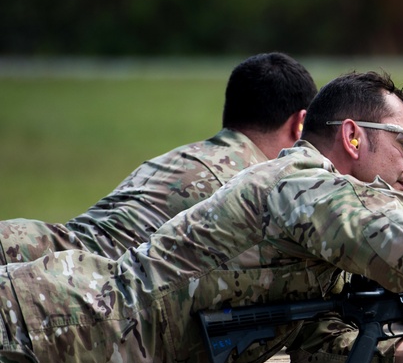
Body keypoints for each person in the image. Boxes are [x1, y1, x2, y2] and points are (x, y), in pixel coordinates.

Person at [0, 70, 403, 363]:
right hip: (38, 324)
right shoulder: (297, 183)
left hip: (59, 354)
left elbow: (326, 358)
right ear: (352, 136)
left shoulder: (321, 237)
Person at [0, 52, 317, 266]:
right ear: (299, 122)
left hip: (26, 247)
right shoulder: (253, 186)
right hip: (50, 280)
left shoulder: (176, 157)